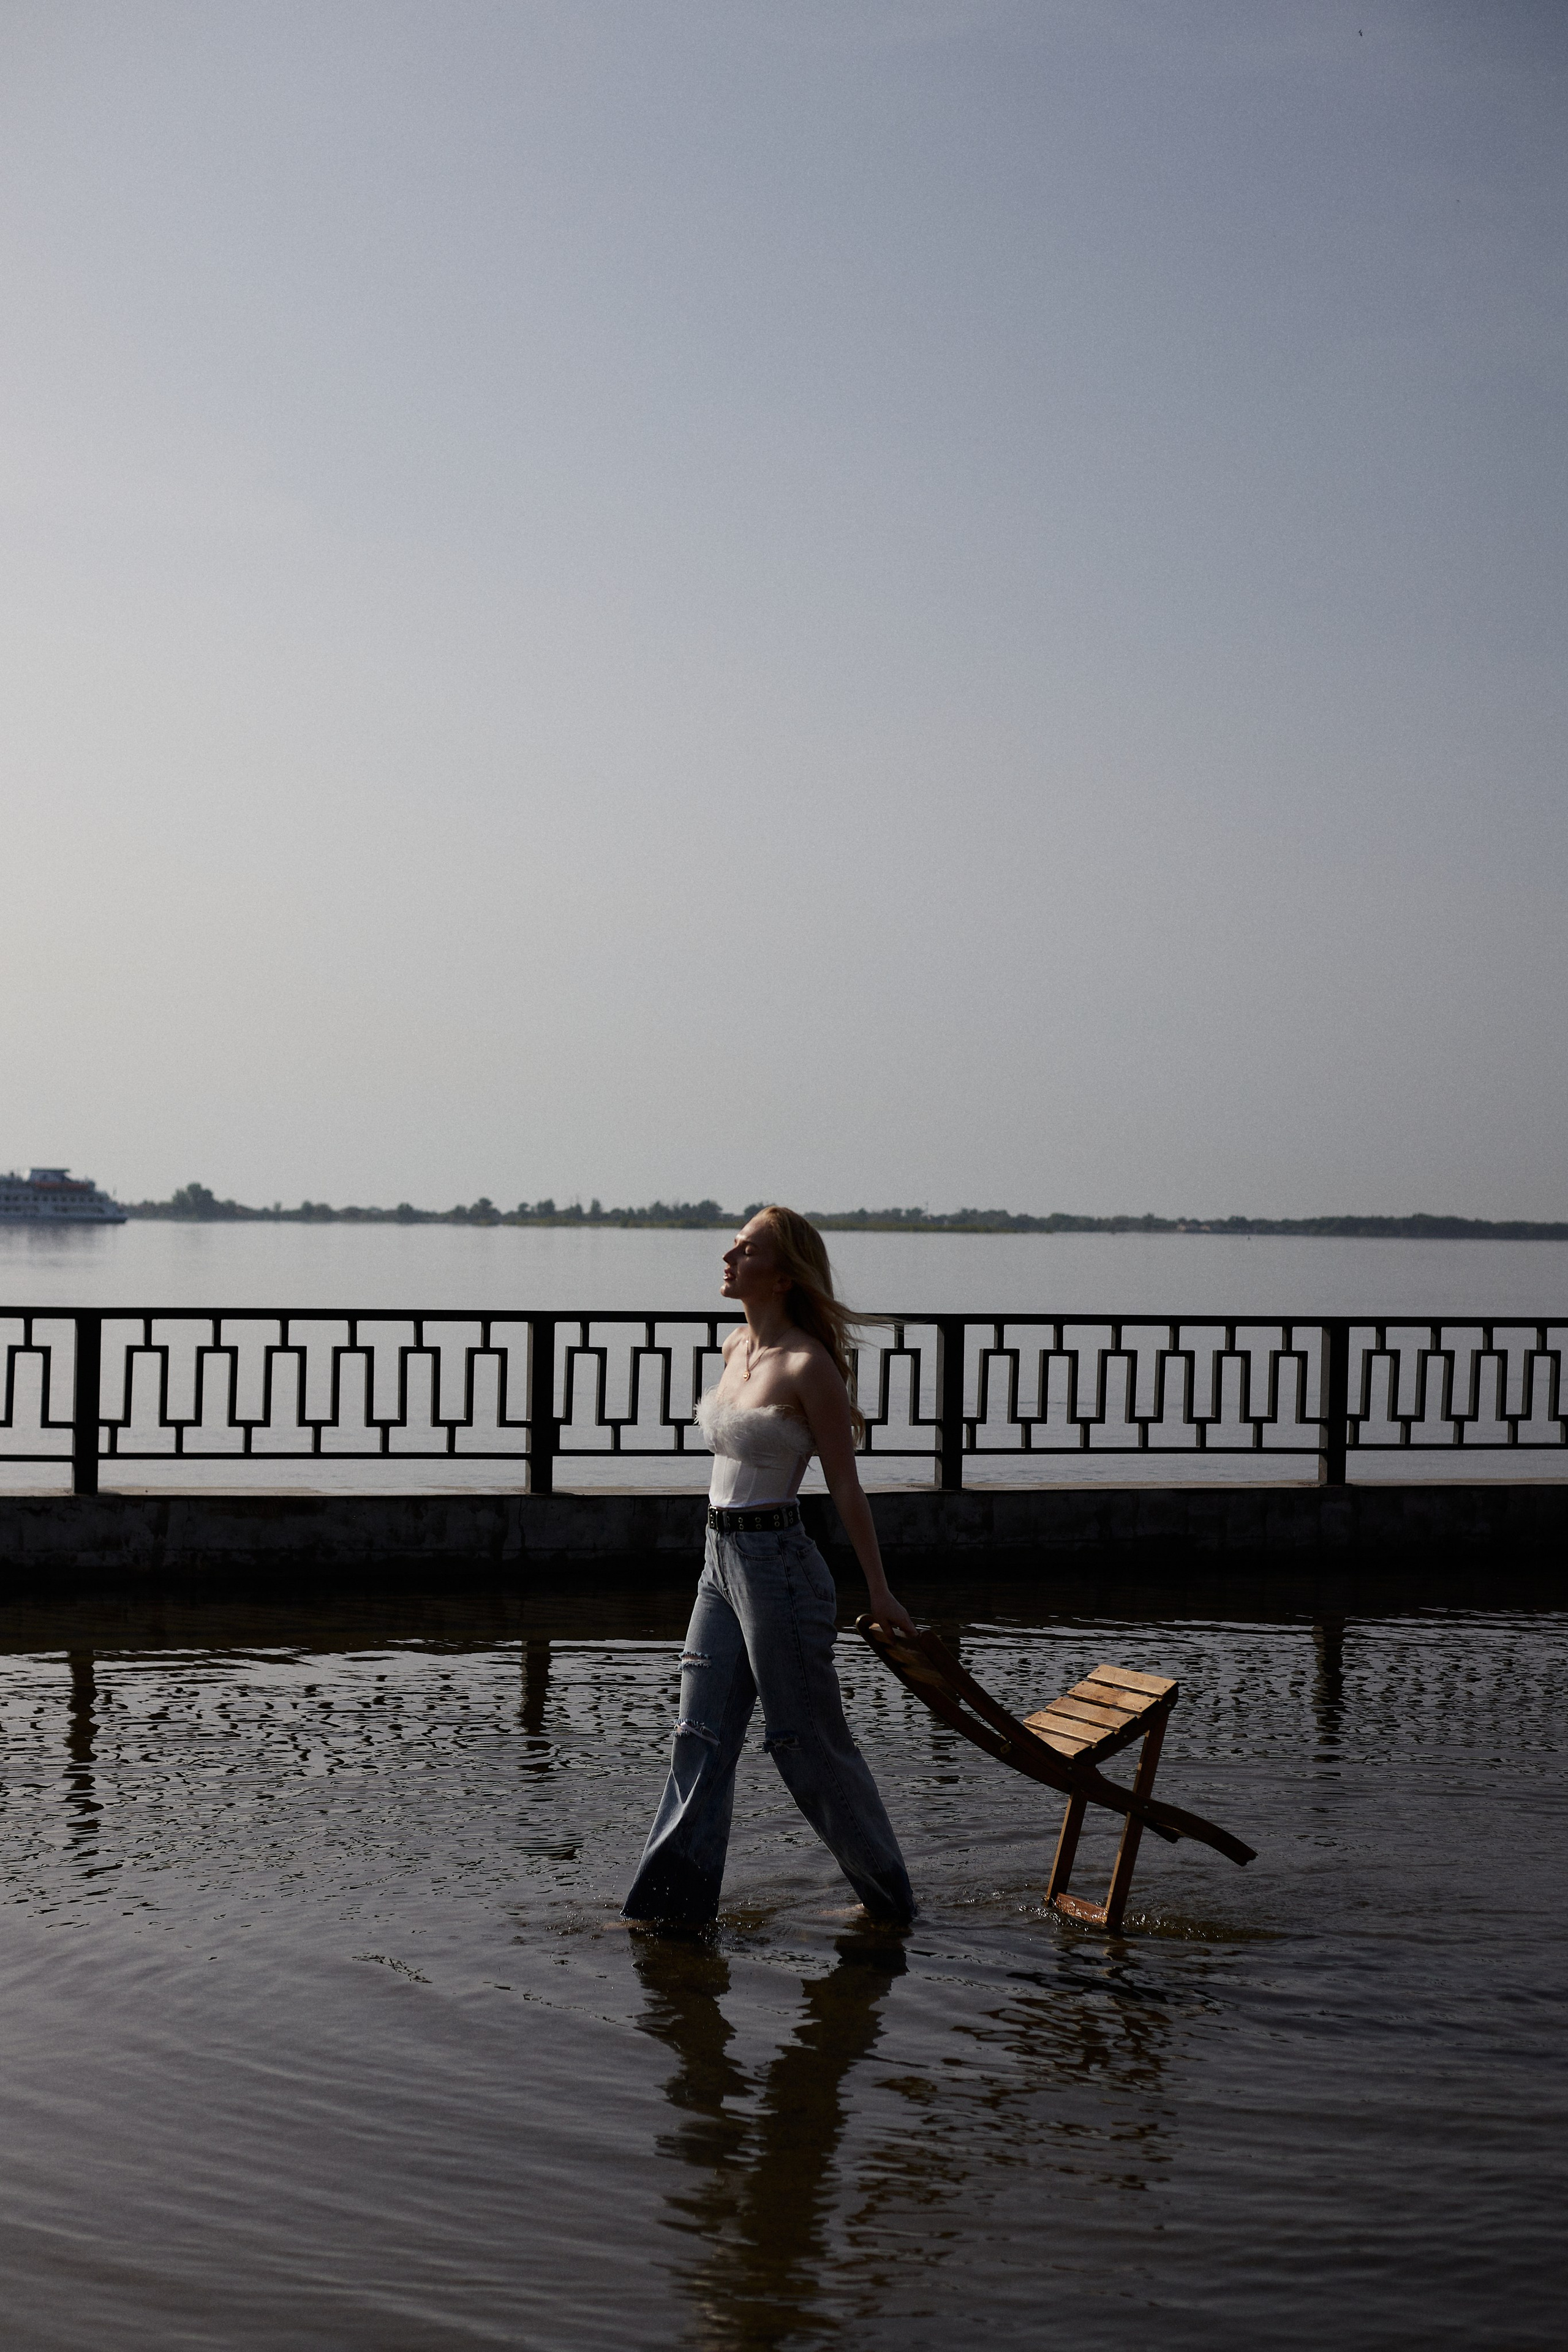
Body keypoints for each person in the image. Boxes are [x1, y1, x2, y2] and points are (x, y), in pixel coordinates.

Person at [622, 1206, 917, 1928]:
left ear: (782, 1275)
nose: (728, 1255)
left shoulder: (808, 1365)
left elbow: (844, 1484)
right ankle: (669, 1910)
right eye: (733, 1244)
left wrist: (878, 1589)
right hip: (717, 1559)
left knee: (804, 1743)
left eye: (746, 1249)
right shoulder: (733, 1349)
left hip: (777, 1561)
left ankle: (889, 1901)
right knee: (698, 1736)